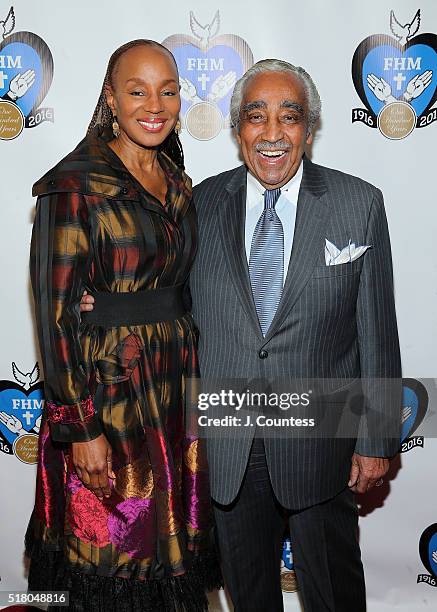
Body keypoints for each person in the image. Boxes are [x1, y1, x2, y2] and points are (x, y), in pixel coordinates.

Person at [81, 59, 402, 611]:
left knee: (335, 593)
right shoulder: (196, 204)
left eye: (290, 116)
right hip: (226, 442)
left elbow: (377, 328)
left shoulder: (359, 204)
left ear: (310, 127)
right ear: (237, 130)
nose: (273, 133)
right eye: (256, 116)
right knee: (249, 595)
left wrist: (375, 440)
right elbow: (170, 299)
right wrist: (111, 304)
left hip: (320, 441)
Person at [25, 39, 222, 612]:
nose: (154, 104)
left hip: (174, 390)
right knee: (114, 549)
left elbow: (180, 287)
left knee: (168, 557)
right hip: (110, 394)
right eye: (137, 90)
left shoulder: (176, 179)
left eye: (167, 90)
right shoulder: (74, 185)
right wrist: (79, 426)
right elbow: (54, 314)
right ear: (111, 98)